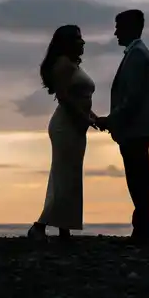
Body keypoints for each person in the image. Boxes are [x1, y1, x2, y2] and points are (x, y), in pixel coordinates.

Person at [28, 25, 98, 242]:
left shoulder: (71, 65)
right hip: (65, 126)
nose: (82, 42)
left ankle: (64, 229)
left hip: (76, 126)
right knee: (63, 177)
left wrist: (92, 118)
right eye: (78, 38)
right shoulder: (63, 65)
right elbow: (65, 98)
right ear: (67, 42)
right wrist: (85, 118)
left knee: (70, 176)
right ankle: (39, 227)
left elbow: (80, 100)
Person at [95, 10, 149, 245]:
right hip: (136, 129)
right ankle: (142, 229)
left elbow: (132, 99)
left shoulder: (137, 55)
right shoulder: (137, 53)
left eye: (118, 27)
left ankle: (142, 231)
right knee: (139, 179)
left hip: (135, 130)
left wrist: (110, 120)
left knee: (138, 180)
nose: (115, 32)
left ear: (131, 27)